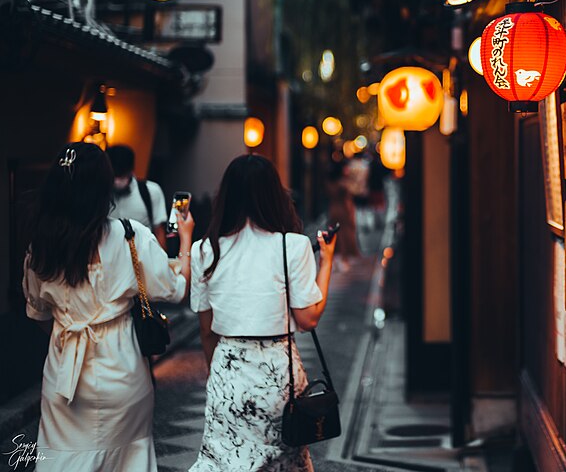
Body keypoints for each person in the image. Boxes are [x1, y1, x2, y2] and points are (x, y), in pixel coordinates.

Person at [22, 143, 193, 472]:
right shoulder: (130, 236)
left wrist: (68, 328)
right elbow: (176, 290)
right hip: (123, 372)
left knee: (63, 457)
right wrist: (185, 239)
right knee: (127, 458)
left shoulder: (40, 248)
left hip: (63, 375)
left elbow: (40, 314)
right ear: (102, 188)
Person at [188, 154, 335, 472]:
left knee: (226, 462)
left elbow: (206, 330)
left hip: (228, 374)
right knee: (282, 464)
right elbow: (308, 319)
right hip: (277, 378)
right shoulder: (291, 246)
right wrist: (327, 261)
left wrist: (221, 374)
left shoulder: (204, 249)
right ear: (273, 194)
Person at [106, 145, 168, 244]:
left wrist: (162, 257)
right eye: (114, 176)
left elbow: (159, 231)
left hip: (142, 256)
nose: (117, 181)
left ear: (131, 170)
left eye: (121, 176)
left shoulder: (151, 191)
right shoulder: (101, 194)